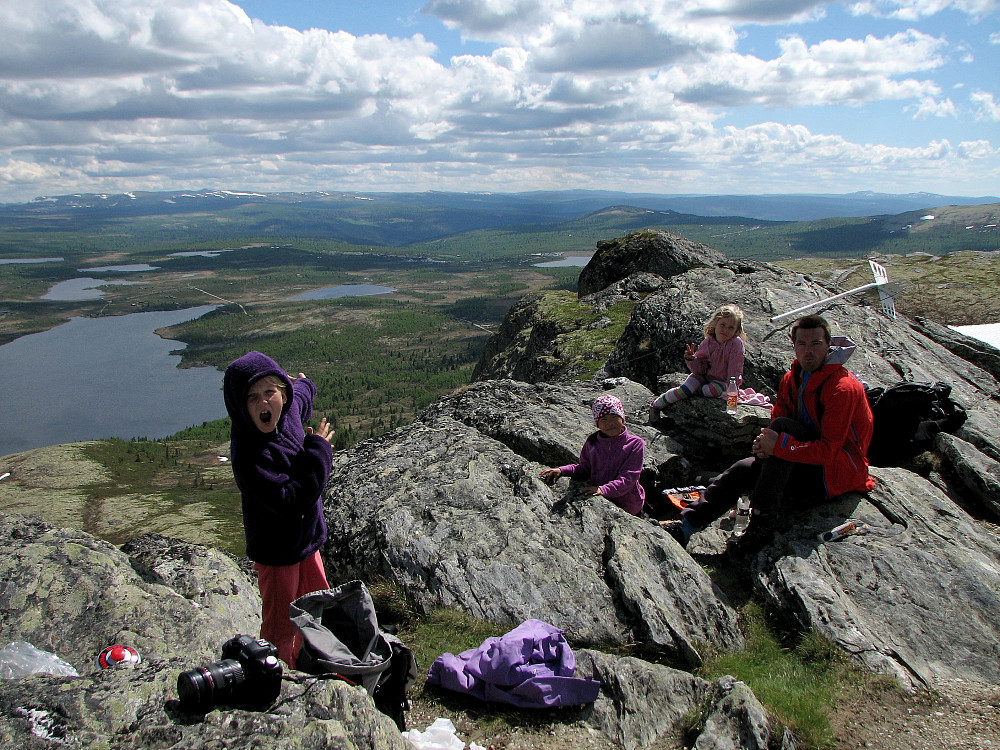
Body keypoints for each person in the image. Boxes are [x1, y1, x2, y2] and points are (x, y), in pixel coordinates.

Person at [666, 314, 874, 556]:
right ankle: (687, 525)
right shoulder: (792, 378)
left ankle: (761, 525)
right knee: (742, 470)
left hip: (837, 472)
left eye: (816, 344)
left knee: (783, 431)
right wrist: (765, 445)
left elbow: (828, 451)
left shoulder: (843, 388)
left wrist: (779, 445)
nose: (809, 351)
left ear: (829, 345)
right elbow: (778, 424)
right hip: (801, 461)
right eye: (802, 344)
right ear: (793, 345)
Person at [223, 351, 335, 668]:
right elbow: (290, 500)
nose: (264, 403)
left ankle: (309, 662)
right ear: (239, 406)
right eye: (252, 397)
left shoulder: (288, 412)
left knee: (316, 605)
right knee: (280, 625)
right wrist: (320, 451)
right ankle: (278, 675)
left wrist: (304, 383)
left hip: (306, 542)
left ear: (281, 394)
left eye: (270, 392)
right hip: (276, 555)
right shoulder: (249, 456)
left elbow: (300, 395)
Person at [540, 394, 646, 516]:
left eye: (613, 417)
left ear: (622, 418)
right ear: (597, 423)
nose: (609, 423)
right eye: (604, 419)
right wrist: (562, 470)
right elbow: (584, 469)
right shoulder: (592, 443)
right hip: (600, 500)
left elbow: (628, 478)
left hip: (628, 505)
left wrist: (604, 489)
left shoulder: (635, 444)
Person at [650, 304, 746, 414]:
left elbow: (735, 369)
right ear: (715, 324)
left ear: (736, 330)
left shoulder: (736, 344)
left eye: (731, 327)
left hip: (722, 381)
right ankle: (656, 405)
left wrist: (733, 389)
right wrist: (692, 359)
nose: (725, 330)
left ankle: (696, 390)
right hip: (704, 377)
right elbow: (699, 369)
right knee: (684, 390)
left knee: (713, 390)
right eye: (722, 325)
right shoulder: (708, 343)